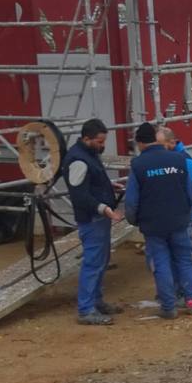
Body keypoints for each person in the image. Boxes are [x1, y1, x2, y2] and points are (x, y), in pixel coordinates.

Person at [124, 122, 192, 319]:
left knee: (161, 263)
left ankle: (168, 306)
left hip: (153, 224)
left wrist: (134, 220)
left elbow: (131, 201)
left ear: (140, 143)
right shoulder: (178, 159)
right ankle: (191, 301)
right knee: (184, 261)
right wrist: (184, 213)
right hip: (179, 220)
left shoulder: (138, 165)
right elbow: (190, 193)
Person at [65, 118, 125, 326]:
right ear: (86, 138)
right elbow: (80, 195)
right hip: (92, 219)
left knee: (100, 261)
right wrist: (104, 208)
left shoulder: (88, 154)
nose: (102, 145)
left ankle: (96, 302)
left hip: (97, 218)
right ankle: (86, 309)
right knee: (93, 263)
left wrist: (108, 185)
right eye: (99, 141)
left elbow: (90, 182)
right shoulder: (78, 160)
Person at [157, 125, 192, 311]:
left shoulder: (184, 163)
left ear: (171, 142)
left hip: (184, 216)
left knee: (181, 257)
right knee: (180, 255)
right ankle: (181, 292)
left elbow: (187, 193)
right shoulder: (182, 159)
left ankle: (184, 293)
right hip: (182, 215)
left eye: (161, 145)